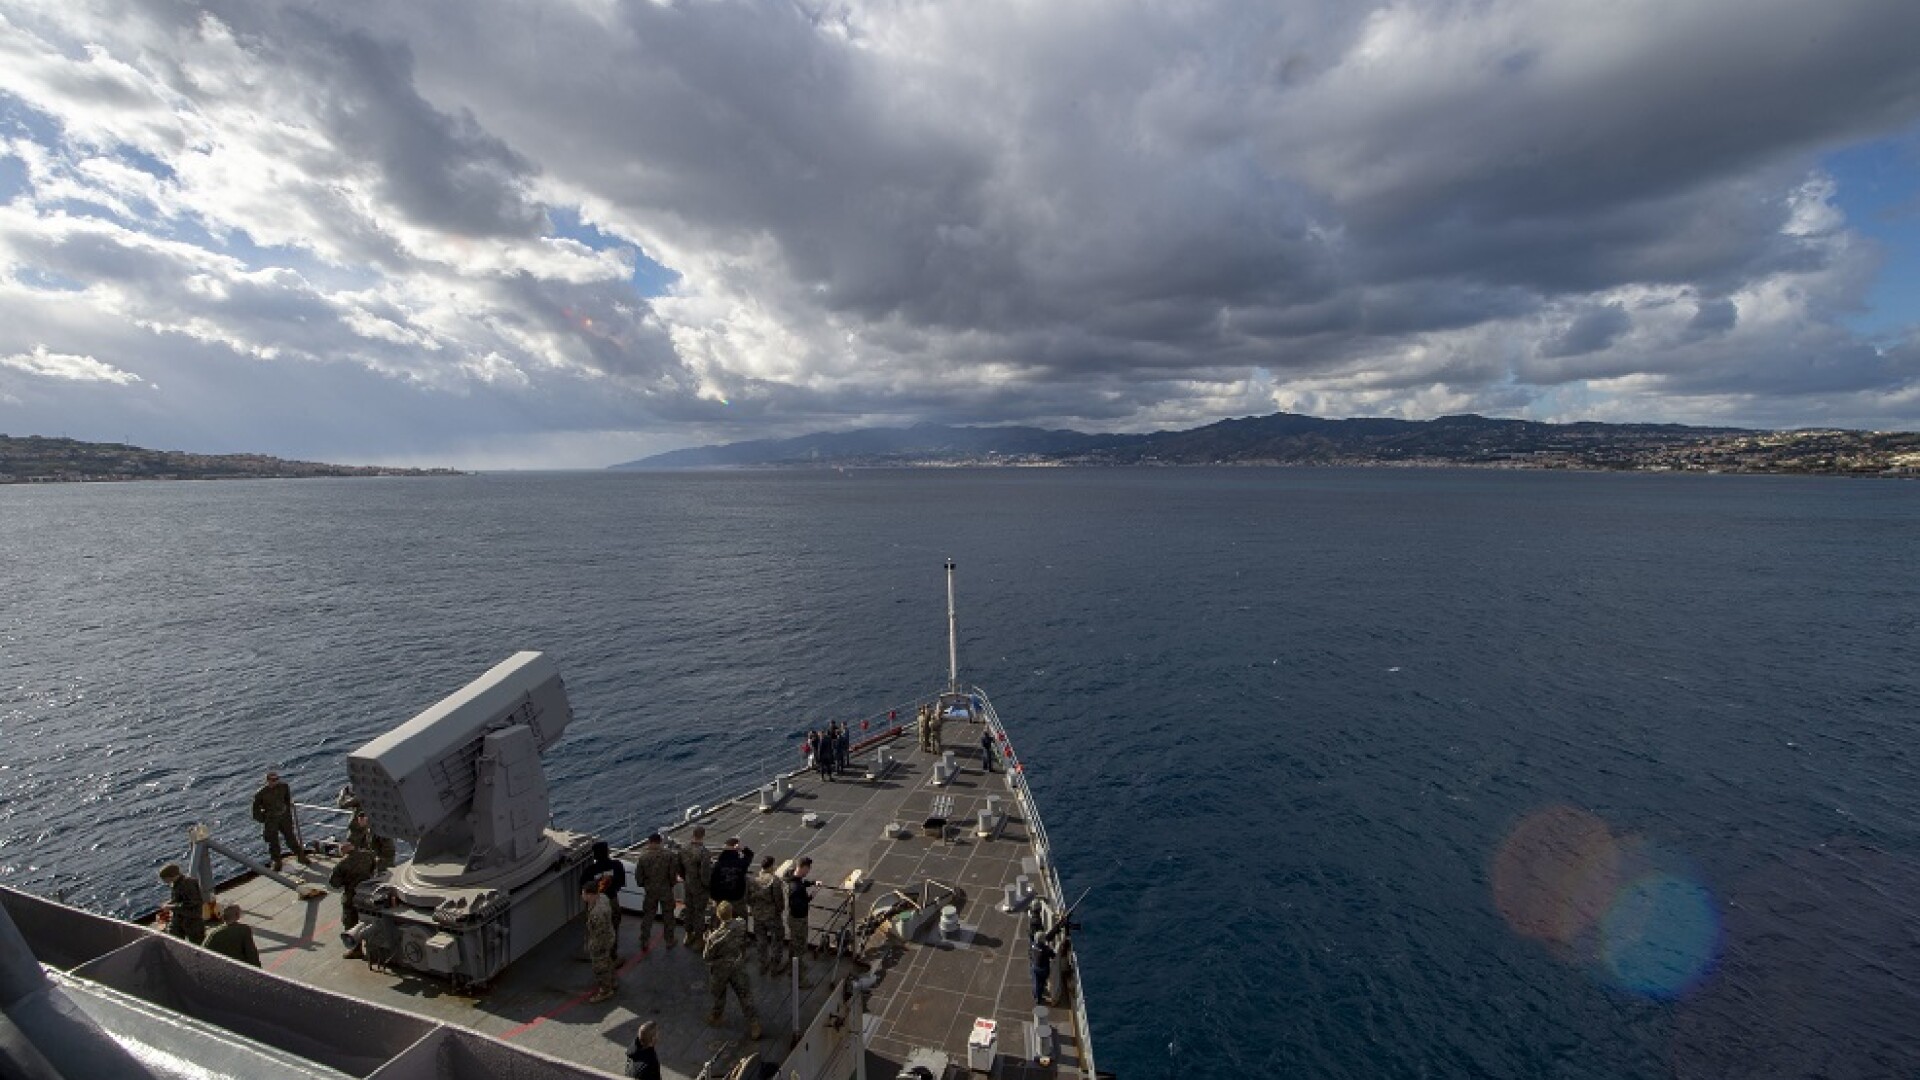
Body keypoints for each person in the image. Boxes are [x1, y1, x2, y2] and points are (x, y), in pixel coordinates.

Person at [702, 901, 761, 1039]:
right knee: (745, 995)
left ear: (718, 915)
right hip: (736, 964)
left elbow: (706, 957)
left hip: (720, 969)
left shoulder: (714, 937)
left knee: (719, 994)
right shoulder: (740, 924)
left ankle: (717, 1015)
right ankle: (754, 1024)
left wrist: (707, 940)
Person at [252, 770, 310, 869]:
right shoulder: (260, 793)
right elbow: (255, 810)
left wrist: (287, 812)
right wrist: (264, 818)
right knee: (273, 841)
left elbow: (287, 800)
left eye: (277, 779)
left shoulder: (284, 787)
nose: (275, 781)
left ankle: (300, 856)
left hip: (284, 817)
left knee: (291, 838)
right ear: (268, 780)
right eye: (273, 779)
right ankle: (277, 861)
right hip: (271, 820)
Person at [330, 841, 378, 957]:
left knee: (350, 921)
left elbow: (334, 883)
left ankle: (356, 950)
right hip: (368, 891)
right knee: (369, 918)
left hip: (352, 895)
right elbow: (374, 866)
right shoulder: (367, 854)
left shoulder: (342, 864)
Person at [581, 840, 628, 955]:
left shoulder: (589, 871)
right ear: (607, 852)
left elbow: (584, 889)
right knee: (614, 926)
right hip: (612, 900)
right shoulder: (617, 865)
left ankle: (599, 954)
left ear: (595, 855)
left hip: (595, 904)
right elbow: (621, 882)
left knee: (596, 929)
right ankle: (613, 953)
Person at [633, 833, 679, 949]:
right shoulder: (669, 856)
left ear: (650, 842)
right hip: (665, 890)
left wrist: (646, 885)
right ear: (660, 841)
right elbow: (673, 874)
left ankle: (644, 939)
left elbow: (639, 877)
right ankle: (669, 940)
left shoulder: (643, 857)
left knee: (648, 916)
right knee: (668, 915)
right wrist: (670, 884)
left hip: (650, 891)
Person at [747, 855, 786, 973]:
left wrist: (754, 909)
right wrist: (779, 910)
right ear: (771, 866)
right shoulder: (775, 881)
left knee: (761, 940)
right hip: (772, 916)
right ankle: (775, 965)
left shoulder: (753, 880)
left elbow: (748, 898)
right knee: (777, 939)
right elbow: (779, 900)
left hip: (758, 916)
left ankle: (763, 964)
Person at [678, 826, 714, 948]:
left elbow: (679, 867)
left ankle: (688, 935)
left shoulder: (683, 848)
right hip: (699, 887)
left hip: (688, 884)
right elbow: (705, 874)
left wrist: (686, 877)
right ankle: (699, 939)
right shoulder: (704, 852)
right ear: (703, 835)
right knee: (699, 912)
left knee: (689, 909)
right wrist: (707, 885)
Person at [584, 877, 617, 1003]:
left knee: (599, 967)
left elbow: (598, 933)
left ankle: (605, 990)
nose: (582, 895)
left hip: (600, 942)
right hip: (609, 937)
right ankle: (612, 981)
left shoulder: (596, 913)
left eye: (584, 893)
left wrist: (593, 946)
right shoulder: (603, 898)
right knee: (608, 961)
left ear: (590, 894)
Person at [784, 856, 816, 983]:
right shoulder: (796, 888)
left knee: (793, 944)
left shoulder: (792, 877)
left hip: (793, 918)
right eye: (807, 869)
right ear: (802, 868)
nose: (808, 871)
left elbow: (801, 882)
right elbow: (798, 906)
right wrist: (810, 897)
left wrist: (812, 883)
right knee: (800, 948)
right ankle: (800, 979)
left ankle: (792, 969)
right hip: (798, 920)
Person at [157, 863, 206, 945]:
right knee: (175, 940)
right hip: (181, 919)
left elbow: (191, 904)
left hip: (192, 920)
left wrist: (170, 906)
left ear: (170, 876)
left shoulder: (188, 884)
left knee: (197, 944)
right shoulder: (177, 884)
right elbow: (179, 899)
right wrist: (170, 903)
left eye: (164, 878)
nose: (164, 881)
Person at [709, 836, 753, 916]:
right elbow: (749, 855)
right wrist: (741, 848)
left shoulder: (717, 864)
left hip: (719, 899)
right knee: (740, 922)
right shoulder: (740, 863)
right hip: (736, 898)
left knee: (719, 920)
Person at [1029, 929, 1056, 1005]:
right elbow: (1053, 955)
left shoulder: (1033, 945)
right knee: (1041, 983)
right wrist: (1049, 947)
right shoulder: (1046, 949)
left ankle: (1036, 995)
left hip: (1035, 967)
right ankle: (1039, 997)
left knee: (1036, 982)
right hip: (1043, 970)